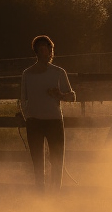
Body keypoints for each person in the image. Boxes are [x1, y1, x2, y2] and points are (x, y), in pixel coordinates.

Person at [18, 35, 76, 191]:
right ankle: (40, 192)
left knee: (57, 160)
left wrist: (61, 96)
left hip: (54, 121)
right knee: (37, 160)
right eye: (42, 49)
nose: (46, 52)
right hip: (34, 122)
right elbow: (23, 99)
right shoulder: (27, 74)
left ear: (52, 51)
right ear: (36, 52)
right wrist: (27, 116)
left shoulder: (58, 72)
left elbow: (72, 96)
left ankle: (56, 192)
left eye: (48, 48)